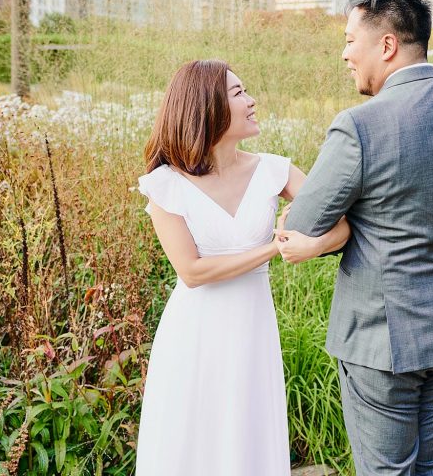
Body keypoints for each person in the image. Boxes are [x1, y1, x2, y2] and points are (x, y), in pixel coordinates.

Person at [276, 0, 433, 476]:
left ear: (386, 44)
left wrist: (347, 229)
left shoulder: (360, 126)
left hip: (385, 338)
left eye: (349, 40)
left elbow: (305, 221)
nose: (344, 54)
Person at [134, 59, 350, 475]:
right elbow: (192, 272)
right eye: (238, 94)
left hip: (252, 329)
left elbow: (341, 225)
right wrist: (274, 248)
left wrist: (313, 244)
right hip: (194, 335)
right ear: (207, 106)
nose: (251, 102)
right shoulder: (166, 183)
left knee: (247, 437)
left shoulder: (274, 170)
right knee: (190, 443)